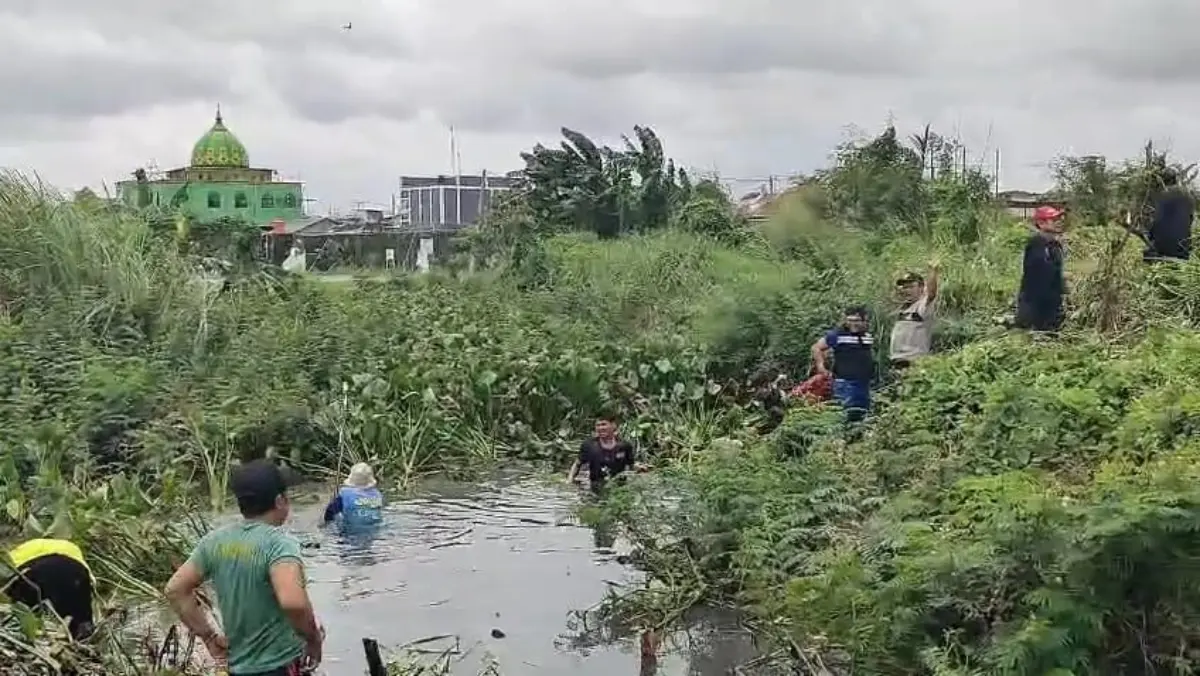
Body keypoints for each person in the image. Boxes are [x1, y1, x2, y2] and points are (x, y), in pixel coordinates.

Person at [165, 459, 323, 676]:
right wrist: (313, 639)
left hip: (238, 667)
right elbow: (293, 603)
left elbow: (175, 589)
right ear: (280, 501)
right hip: (279, 667)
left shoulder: (215, 542)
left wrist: (210, 637)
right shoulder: (278, 544)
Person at [2, 538, 96, 640]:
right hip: (76, 569)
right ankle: (83, 636)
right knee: (79, 619)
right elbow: (90, 582)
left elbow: (6, 575)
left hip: (34, 570)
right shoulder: (69, 545)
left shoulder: (18, 551)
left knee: (23, 616)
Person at [812, 306, 875, 422]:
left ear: (864, 321)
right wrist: (821, 366)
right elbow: (817, 348)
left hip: (863, 383)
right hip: (845, 383)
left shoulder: (867, 337)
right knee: (843, 415)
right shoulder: (837, 335)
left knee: (861, 415)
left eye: (856, 321)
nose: (852, 324)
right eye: (849, 320)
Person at [1014, 206, 1066, 332]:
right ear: (1041, 223)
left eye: (1058, 219)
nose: (1058, 222)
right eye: (1053, 220)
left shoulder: (1054, 245)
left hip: (1051, 306)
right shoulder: (1036, 245)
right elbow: (1039, 277)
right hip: (1035, 307)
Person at [567, 416, 646, 491]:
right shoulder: (589, 445)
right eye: (598, 425)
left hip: (619, 487)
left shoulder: (624, 446)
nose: (601, 428)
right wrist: (569, 481)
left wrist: (639, 468)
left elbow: (631, 465)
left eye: (604, 424)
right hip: (596, 486)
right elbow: (577, 464)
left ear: (613, 426)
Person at [889, 261, 940, 371]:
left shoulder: (923, 306)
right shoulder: (903, 308)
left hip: (914, 362)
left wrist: (933, 271)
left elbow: (932, 294)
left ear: (922, 288)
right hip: (898, 362)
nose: (907, 290)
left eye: (911, 287)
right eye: (905, 287)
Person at [322, 462, 384, 528]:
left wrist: (326, 523)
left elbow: (330, 511)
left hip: (350, 533)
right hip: (374, 532)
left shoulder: (345, 494)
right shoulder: (377, 494)